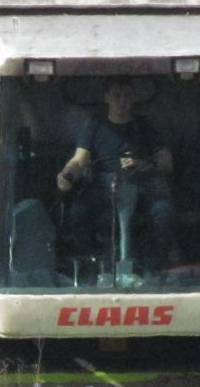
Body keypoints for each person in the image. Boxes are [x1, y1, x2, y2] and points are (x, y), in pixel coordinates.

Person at [55, 80, 177, 274]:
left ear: (134, 98)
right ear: (106, 98)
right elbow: (80, 159)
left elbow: (166, 163)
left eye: (127, 96)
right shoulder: (94, 125)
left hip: (141, 185)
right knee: (77, 213)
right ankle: (90, 266)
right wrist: (67, 173)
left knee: (163, 211)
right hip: (103, 187)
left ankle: (156, 267)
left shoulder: (144, 126)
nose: (122, 101)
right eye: (117, 96)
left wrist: (143, 164)